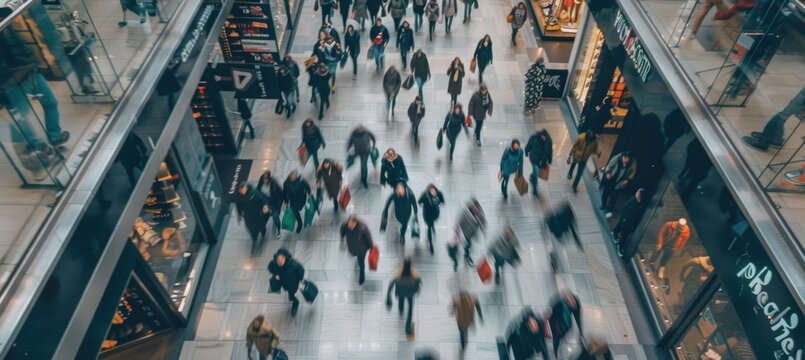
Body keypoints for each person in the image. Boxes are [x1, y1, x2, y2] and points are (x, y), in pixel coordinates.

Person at [386, 258, 422, 335]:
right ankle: (408, 327)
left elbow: (390, 286)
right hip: (410, 294)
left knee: (401, 300)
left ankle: (401, 309)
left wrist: (388, 297)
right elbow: (418, 286)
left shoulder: (398, 276)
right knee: (410, 309)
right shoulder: (415, 277)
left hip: (400, 293)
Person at [449, 199, 486, 270]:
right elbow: (458, 222)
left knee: (468, 244)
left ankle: (467, 255)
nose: (476, 209)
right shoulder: (465, 213)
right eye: (474, 207)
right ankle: (455, 261)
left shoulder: (480, 214)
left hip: (471, 233)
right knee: (455, 248)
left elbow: (483, 222)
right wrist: (457, 232)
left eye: (477, 207)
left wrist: (483, 230)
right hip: (462, 232)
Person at [268, 248, 306, 316]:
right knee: (288, 292)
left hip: (293, 284)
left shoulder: (294, 264)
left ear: (285, 257)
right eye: (278, 260)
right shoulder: (274, 264)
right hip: (284, 283)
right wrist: (275, 274)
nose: (280, 262)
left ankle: (295, 303)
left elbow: (301, 270)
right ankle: (292, 298)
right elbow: (270, 268)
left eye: (282, 259)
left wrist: (301, 280)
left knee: (291, 295)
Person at [600, 151, 637, 217]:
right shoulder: (617, 158)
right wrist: (608, 173)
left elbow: (632, 173)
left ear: (630, 159)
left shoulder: (632, 163)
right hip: (611, 179)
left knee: (614, 197)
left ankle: (610, 209)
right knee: (605, 193)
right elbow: (609, 166)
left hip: (620, 182)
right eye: (624, 157)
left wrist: (627, 180)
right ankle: (604, 204)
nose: (625, 159)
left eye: (627, 158)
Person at [612, 188, 647, 257]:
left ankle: (618, 240)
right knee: (621, 230)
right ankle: (618, 243)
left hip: (630, 223)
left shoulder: (641, 205)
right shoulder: (633, 200)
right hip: (626, 219)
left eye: (637, 192)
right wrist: (624, 218)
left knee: (624, 233)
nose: (636, 192)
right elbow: (625, 208)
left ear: (639, 195)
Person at [340, 215, 374, 284]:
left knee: (361, 263)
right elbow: (342, 232)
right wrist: (342, 239)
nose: (349, 226)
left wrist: (371, 248)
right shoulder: (345, 225)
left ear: (355, 222)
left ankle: (362, 276)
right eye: (349, 223)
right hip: (352, 248)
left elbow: (368, 238)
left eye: (351, 224)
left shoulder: (362, 228)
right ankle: (357, 261)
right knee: (355, 256)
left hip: (361, 250)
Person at [549, 291, 583, 359]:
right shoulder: (561, 303)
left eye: (573, 302)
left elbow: (578, 320)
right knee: (555, 342)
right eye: (570, 300)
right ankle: (555, 354)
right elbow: (553, 313)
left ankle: (556, 354)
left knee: (557, 342)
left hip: (562, 331)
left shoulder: (573, 309)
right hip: (557, 329)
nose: (571, 302)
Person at [257, 171, 285, 239]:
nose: (265, 180)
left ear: (269, 178)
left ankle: (278, 230)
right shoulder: (260, 183)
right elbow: (258, 192)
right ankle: (263, 230)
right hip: (265, 203)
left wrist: (285, 201)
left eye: (266, 179)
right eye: (264, 179)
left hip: (275, 203)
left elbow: (281, 193)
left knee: (275, 217)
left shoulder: (274, 184)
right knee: (263, 217)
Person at [417, 184, 445, 254]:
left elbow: (442, 202)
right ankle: (430, 244)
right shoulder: (425, 195)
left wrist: (437, 202)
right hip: (427, 215)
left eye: (434, 191)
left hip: (434, 214)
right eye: (431, 191)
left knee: (431, 224)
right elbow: (419, 202)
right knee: (429, 227)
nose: (433, 192)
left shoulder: (439, 194)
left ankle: (433, 228)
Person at [524, 129, 552, 195]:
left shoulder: (548, 140)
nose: (544, 138)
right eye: (543, 137)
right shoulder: (534, 138)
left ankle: (532, 176)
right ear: (541, 135)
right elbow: (528, 145)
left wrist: (549, 159)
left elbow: (549, 151)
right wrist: (526, 152)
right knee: (536, 173)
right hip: (534, 159)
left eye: (545, 137)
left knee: (536, 171)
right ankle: (535, 189)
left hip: (542, 160)